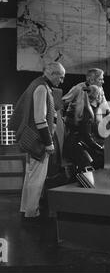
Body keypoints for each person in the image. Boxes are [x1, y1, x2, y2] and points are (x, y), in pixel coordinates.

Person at [9, 62, 65, 218]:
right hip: (38, 141)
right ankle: (32, 212)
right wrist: (49, 143)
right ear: (52, 73)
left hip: (31, 139)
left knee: (30, 175)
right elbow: (40, 119)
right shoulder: (42, 88)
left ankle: (26, 209)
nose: (61, 81)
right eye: (60, 77)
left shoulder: (37, 84)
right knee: (37, 178)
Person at [63, 84, 105, 171]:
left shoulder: (84, 109)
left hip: (75, 144)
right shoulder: (87, 112)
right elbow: (86, 136)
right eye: (101, 95)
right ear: (97, 97)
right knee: (101, 159)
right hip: (77, 147)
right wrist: (100, 148)